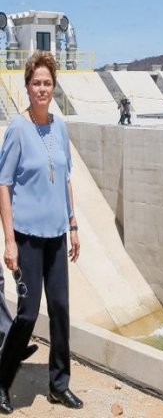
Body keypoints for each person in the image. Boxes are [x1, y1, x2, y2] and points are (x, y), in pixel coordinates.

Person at [0, 50, 82, 414]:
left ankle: (58, 385)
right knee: (28, 314)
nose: (42, 89)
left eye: (48, 83)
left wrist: (74, 224)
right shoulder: (18, 128)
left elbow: (65, 177)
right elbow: (3, 184)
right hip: (28, 238)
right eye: (37, 83)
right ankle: (2, 379)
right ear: (27, 86)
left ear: (54, 86)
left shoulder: (60, 126)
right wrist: (9, 241)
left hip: (57, 234)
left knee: (61, 309)